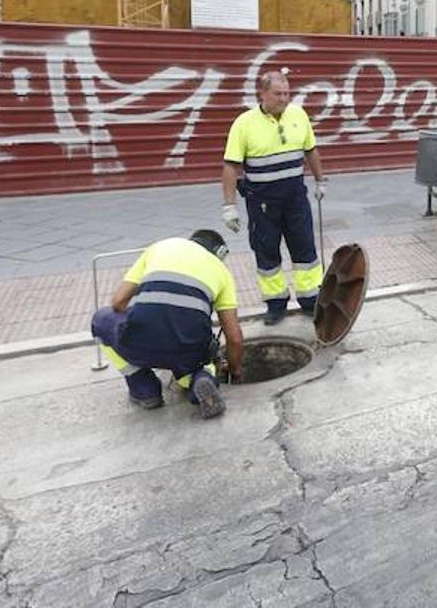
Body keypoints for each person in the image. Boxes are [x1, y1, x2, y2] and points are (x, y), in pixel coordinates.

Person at [91, 230, 243, 419]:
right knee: (199, 356)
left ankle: (145, 390)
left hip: (139, 342)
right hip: (188, 350)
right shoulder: (222, 272)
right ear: (219, 254)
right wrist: (235, 371)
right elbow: (234, 338)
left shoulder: (161, 247)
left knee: (101, 320)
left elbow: (118, 302)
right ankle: (201, 379)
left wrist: (150, 317)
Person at [221, 71, 327, 326]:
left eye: (287, 93)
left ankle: (311, 300)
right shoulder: (244, 123)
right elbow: (230, 166)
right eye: (278, 94)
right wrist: (229, 207)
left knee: (305, 250)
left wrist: (320, 179)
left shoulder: (298, 115)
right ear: (263, 94)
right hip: (262, 202)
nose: (284, 99)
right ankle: (276, 304)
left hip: (295, 197)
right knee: (266, 254)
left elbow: (310, 150)